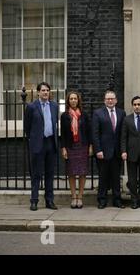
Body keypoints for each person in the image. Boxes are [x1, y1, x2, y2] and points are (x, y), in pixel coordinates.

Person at [24, 82, 58, 211]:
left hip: (51, 142)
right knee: (36, 174)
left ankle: (49, 201)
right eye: (43, 90)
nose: (45, 92)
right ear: (38, 92)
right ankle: (34, 201)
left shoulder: (54, 106)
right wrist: (33, 139)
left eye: (47, 90)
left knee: (50, 174)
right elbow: (27, 127)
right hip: (38, 144)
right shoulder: (32, 106)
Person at [92, 90, 125, 209]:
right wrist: (98, 150)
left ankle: (117, 200)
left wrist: (123, 150)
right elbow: (95, 134)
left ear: (116, 100)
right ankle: (102, 200)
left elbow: (122, 133)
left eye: (112, 99)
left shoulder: (122, 113)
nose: (110, 101)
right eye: (108, 99)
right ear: (104, 100)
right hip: (103, 152)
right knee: (103, 177)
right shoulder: (98, 113)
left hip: (117, 152)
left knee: (116, 177)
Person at [61, 91, 92, 209]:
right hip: (70, 146)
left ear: (78, 100)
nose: (73, 100)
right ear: (68, 101)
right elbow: (63, 133)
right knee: (71, 172)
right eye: (71, 99)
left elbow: (89, 132)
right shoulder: (64, 116)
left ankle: (80, 197)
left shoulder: (84, 115)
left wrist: (90, 146)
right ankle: (73, 196)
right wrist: (63, 148)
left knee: (82, 172)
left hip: (83, 146)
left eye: (75, 99)